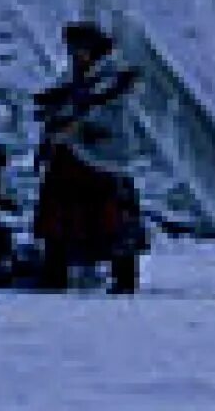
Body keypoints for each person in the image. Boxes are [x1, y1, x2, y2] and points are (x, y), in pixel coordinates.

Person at [31, 20, 146, 293]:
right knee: (60, 215)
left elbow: (108, 113)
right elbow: (60, 102)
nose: (75, 54)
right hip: (70, 156)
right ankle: (55, 269)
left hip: (101, 158)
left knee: (109, 215)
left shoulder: (113, 78)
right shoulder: (75, 77)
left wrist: (79, 125)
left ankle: (122, 275)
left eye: (80, 48)